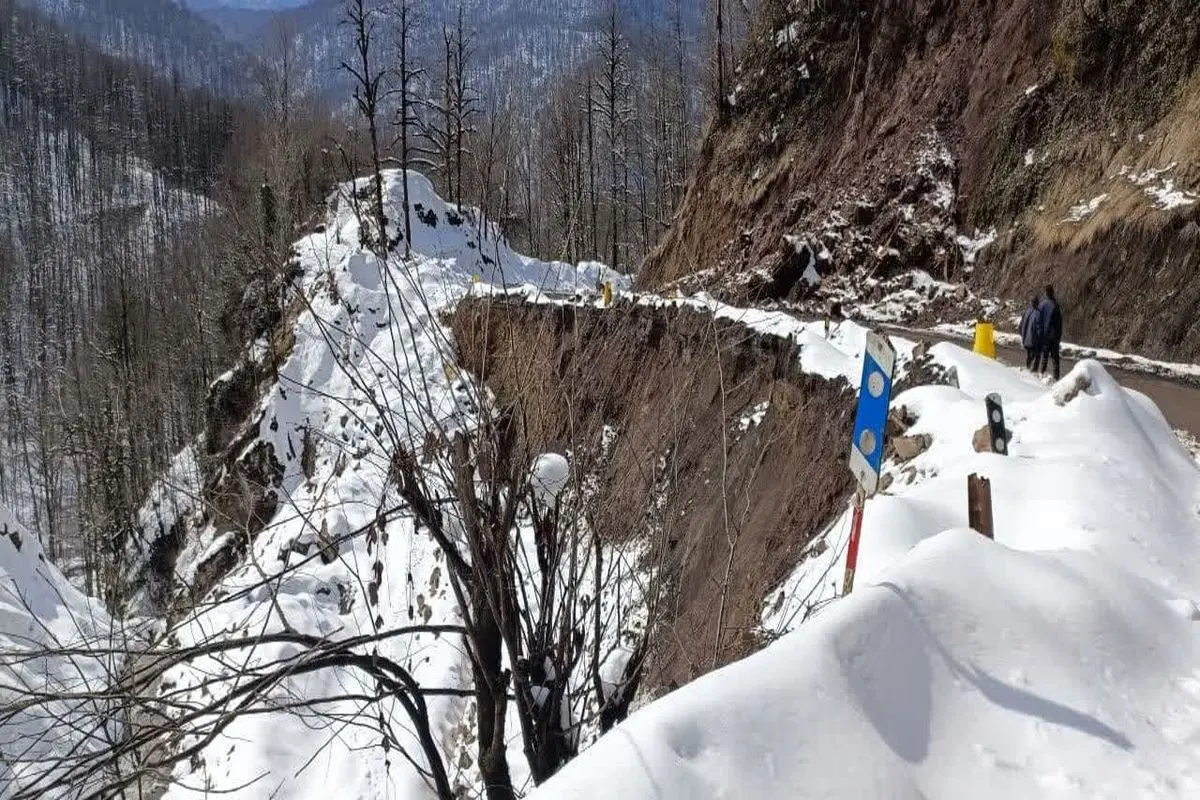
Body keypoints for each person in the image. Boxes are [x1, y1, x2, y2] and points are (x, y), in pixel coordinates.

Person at [1037, 284, 1063, 381]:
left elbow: (1038, 321)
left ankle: (1042, 373)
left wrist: (1040, 334)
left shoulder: (1041, 305)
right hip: (1054, 336)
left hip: (1044, 336)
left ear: (1045, 293)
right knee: (1055, 359)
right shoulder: (1055, 305)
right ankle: (1056, 378)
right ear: (1052, 292)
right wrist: (1058, 336)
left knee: (1044, 356)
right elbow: (1059, 322)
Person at [1018, 296, 1040, 370]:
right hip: (1033, 340)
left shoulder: (1026, 311)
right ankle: (1031, 370)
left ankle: (1028, 367)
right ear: (1037, 303)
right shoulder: (1037, 314)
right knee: (1036, 355)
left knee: (1029, 354)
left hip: (1025, 339)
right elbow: (1038, 328)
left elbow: (1020, 325)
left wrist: (1022, 335)